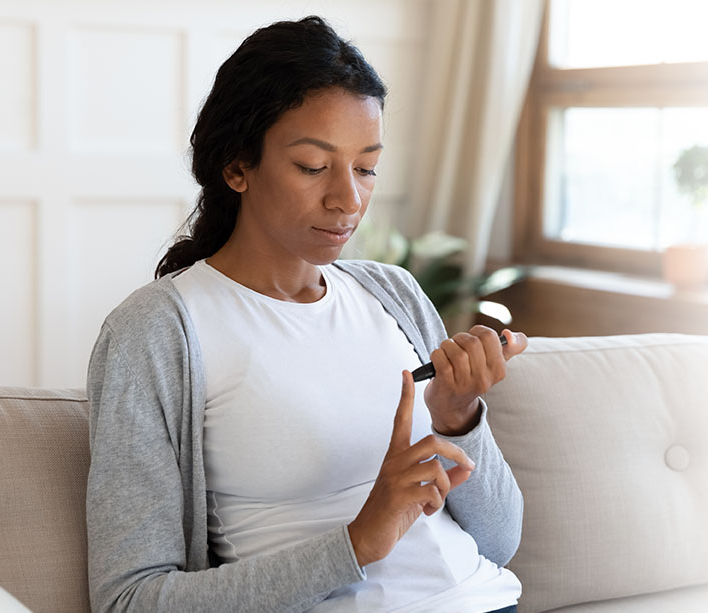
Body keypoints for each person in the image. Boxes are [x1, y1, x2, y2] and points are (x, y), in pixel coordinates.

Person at [86, 15, 527, 613]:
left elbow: (499, 543)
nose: (347, 198)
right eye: (313, 167)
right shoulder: (159, 330)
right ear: (237, 167)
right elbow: (130, 600)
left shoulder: (392, 295)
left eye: (366, 167)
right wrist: (356, 544)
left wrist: (457, 418)